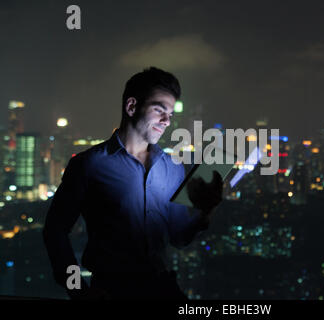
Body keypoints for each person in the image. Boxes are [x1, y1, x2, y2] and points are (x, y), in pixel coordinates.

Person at [42, 67, 223, 300]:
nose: (167, 121)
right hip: (112, 292)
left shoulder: (173, 168)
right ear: (131, 107)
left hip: (163, 288)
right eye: (159, 110)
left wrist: (206, 212)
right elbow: (55, 231)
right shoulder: (89, 165)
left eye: (170, 114)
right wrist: (78, 291)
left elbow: (178, 237)